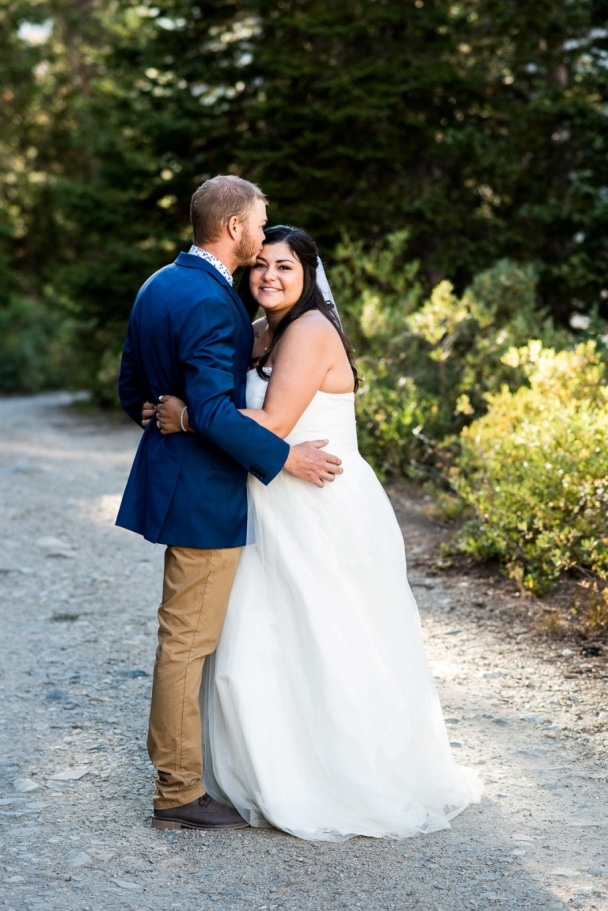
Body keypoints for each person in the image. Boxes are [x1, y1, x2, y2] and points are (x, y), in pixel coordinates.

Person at [150, 224, 483, 841]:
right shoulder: (258, 334)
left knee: (327, 636)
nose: (269, 277)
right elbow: (214, 391)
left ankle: (341, 776)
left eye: (285, 267)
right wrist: (163, 402)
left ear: (308, 276)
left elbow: (272, 421)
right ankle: (269, 768)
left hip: (319, 502)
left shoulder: (308, 331)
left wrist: (187, 416)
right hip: (270, 499)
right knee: (263, 639)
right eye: (260, 267)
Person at [116, 178, 343, 832]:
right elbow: (213, 411)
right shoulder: (217, 306)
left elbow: (132, 386)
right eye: (261, 219)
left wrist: (160, 416)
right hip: (207, 493)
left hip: (180, 480)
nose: (265, 227)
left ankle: (193, 772)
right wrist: (286, 458)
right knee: (186, 642)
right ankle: (179, 790)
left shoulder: (157, 284)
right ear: (238, 227)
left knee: (187, 638)